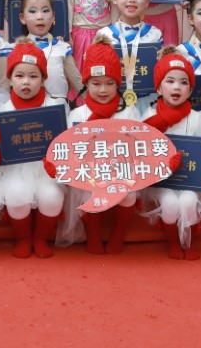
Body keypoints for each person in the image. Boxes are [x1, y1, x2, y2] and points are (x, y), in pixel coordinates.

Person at [0, 41, 66, 259]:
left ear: (43, 79)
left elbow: (66, 143)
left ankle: (40, 238)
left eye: (33, 76)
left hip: (46, 171)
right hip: (15, 170)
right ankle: (23, 239)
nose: (26, 82)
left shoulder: (56, 107)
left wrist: (58, 162)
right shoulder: (1, 111)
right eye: (19, 75)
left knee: (52, 196)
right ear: (10, 79)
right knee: (15, 195)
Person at [68, 42, 141, 253]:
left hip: (121, 171)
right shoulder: (77, 115)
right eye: (96, 83)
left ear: (118, 83)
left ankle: (119, 234)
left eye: (109, 83)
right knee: (90, 188)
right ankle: (93, 234)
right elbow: (70, 150)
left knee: (128, 191)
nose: (103, 89)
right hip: (89, 173)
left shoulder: (128, 113)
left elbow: (139, 147)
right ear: (86, 83)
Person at [140, 50, 201, 260]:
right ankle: (172, 241)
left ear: (190, 90)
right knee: (170, 202)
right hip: (161, 181)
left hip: (190, 180)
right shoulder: (149, 117)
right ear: (159, 88)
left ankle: (188, 241)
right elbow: (143, 153)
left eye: (183, 82)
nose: (177, 87)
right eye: (170, 81)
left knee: (188, 200)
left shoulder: (197, 118)